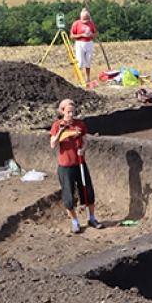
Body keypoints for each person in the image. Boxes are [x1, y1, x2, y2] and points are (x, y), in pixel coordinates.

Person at [49, 99, 101, 234]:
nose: (71, 115)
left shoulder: (80, 124)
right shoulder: (57, 125)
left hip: (80, 164)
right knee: (69, 195)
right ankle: (75, 222)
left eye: (73, 112)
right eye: (68, 112)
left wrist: (82, 150)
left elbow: (84, 142)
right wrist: (60, 131)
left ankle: (92, 218)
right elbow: (53, 145)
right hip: (65, 166)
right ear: (62, 111)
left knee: (87, 191)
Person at [70, 9, 97, 84]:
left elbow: (95, 33)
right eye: (83, 19)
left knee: (88, 61)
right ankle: (78, 78)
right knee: (80, 61)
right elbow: (72, 36)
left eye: (86, 19)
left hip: (89, 43)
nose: (84, 21)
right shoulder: (76, 24)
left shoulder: (91, 23)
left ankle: (87, 78)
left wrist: (91, 34)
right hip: (80, 43)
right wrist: (81, 35)